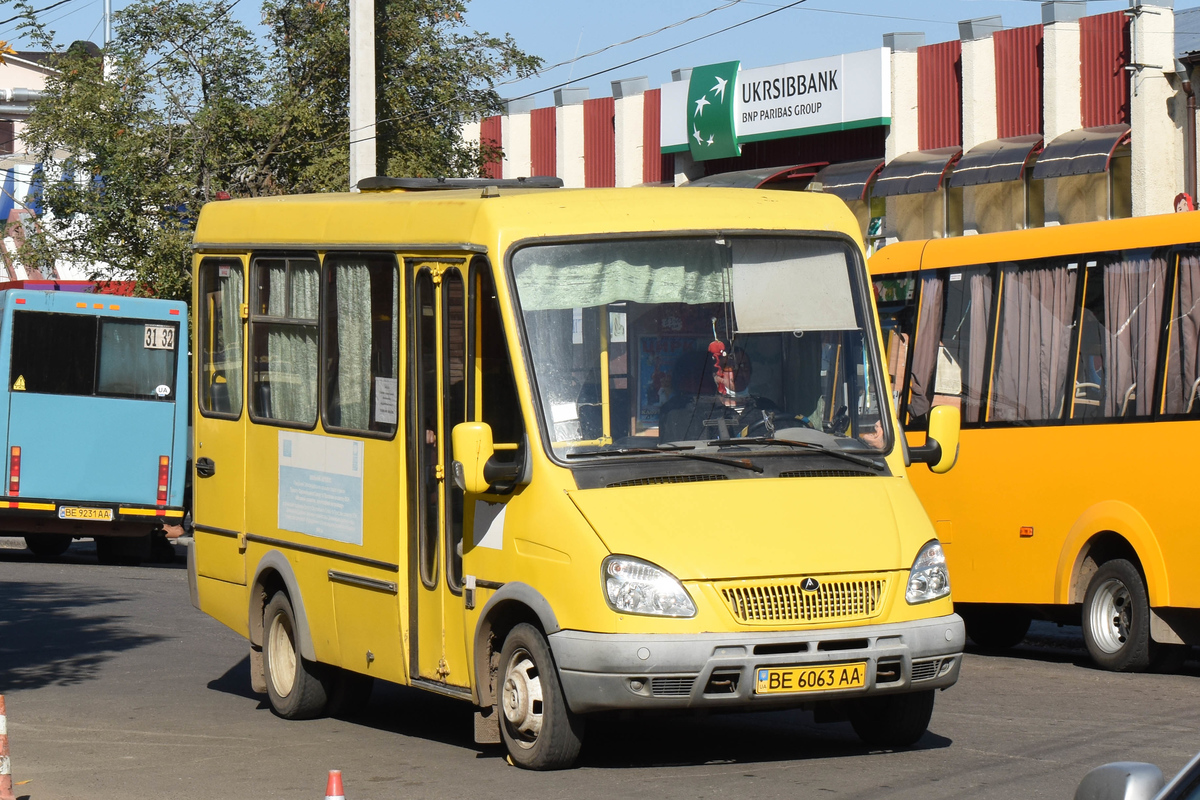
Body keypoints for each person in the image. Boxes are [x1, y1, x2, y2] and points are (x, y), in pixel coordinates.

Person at [658, 346, 777, 442]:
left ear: (751, 371)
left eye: (743, 366)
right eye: (729, 367)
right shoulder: (683, 412)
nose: (737, 372)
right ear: (716, 374)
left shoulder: (766, 407)